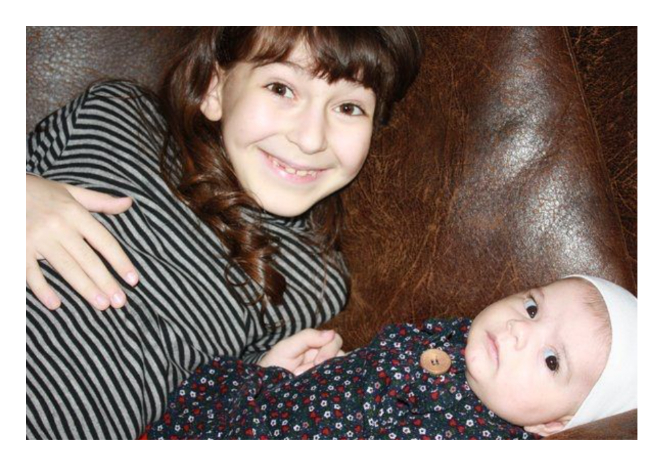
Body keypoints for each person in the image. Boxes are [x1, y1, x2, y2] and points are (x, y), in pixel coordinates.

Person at [25, 27, 422, 439]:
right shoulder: (117, 116)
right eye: (281, 88)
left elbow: (197, 417)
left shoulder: (315, 281)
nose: (310, 139)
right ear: (214, 88)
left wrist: (260, 384)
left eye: (349, 108)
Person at [144, 275, 637, 439]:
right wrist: (323, 375)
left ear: (553, 425)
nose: (518, 331)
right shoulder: (462, 337)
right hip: (255, 403)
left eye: (552, 361)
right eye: (532, 308)